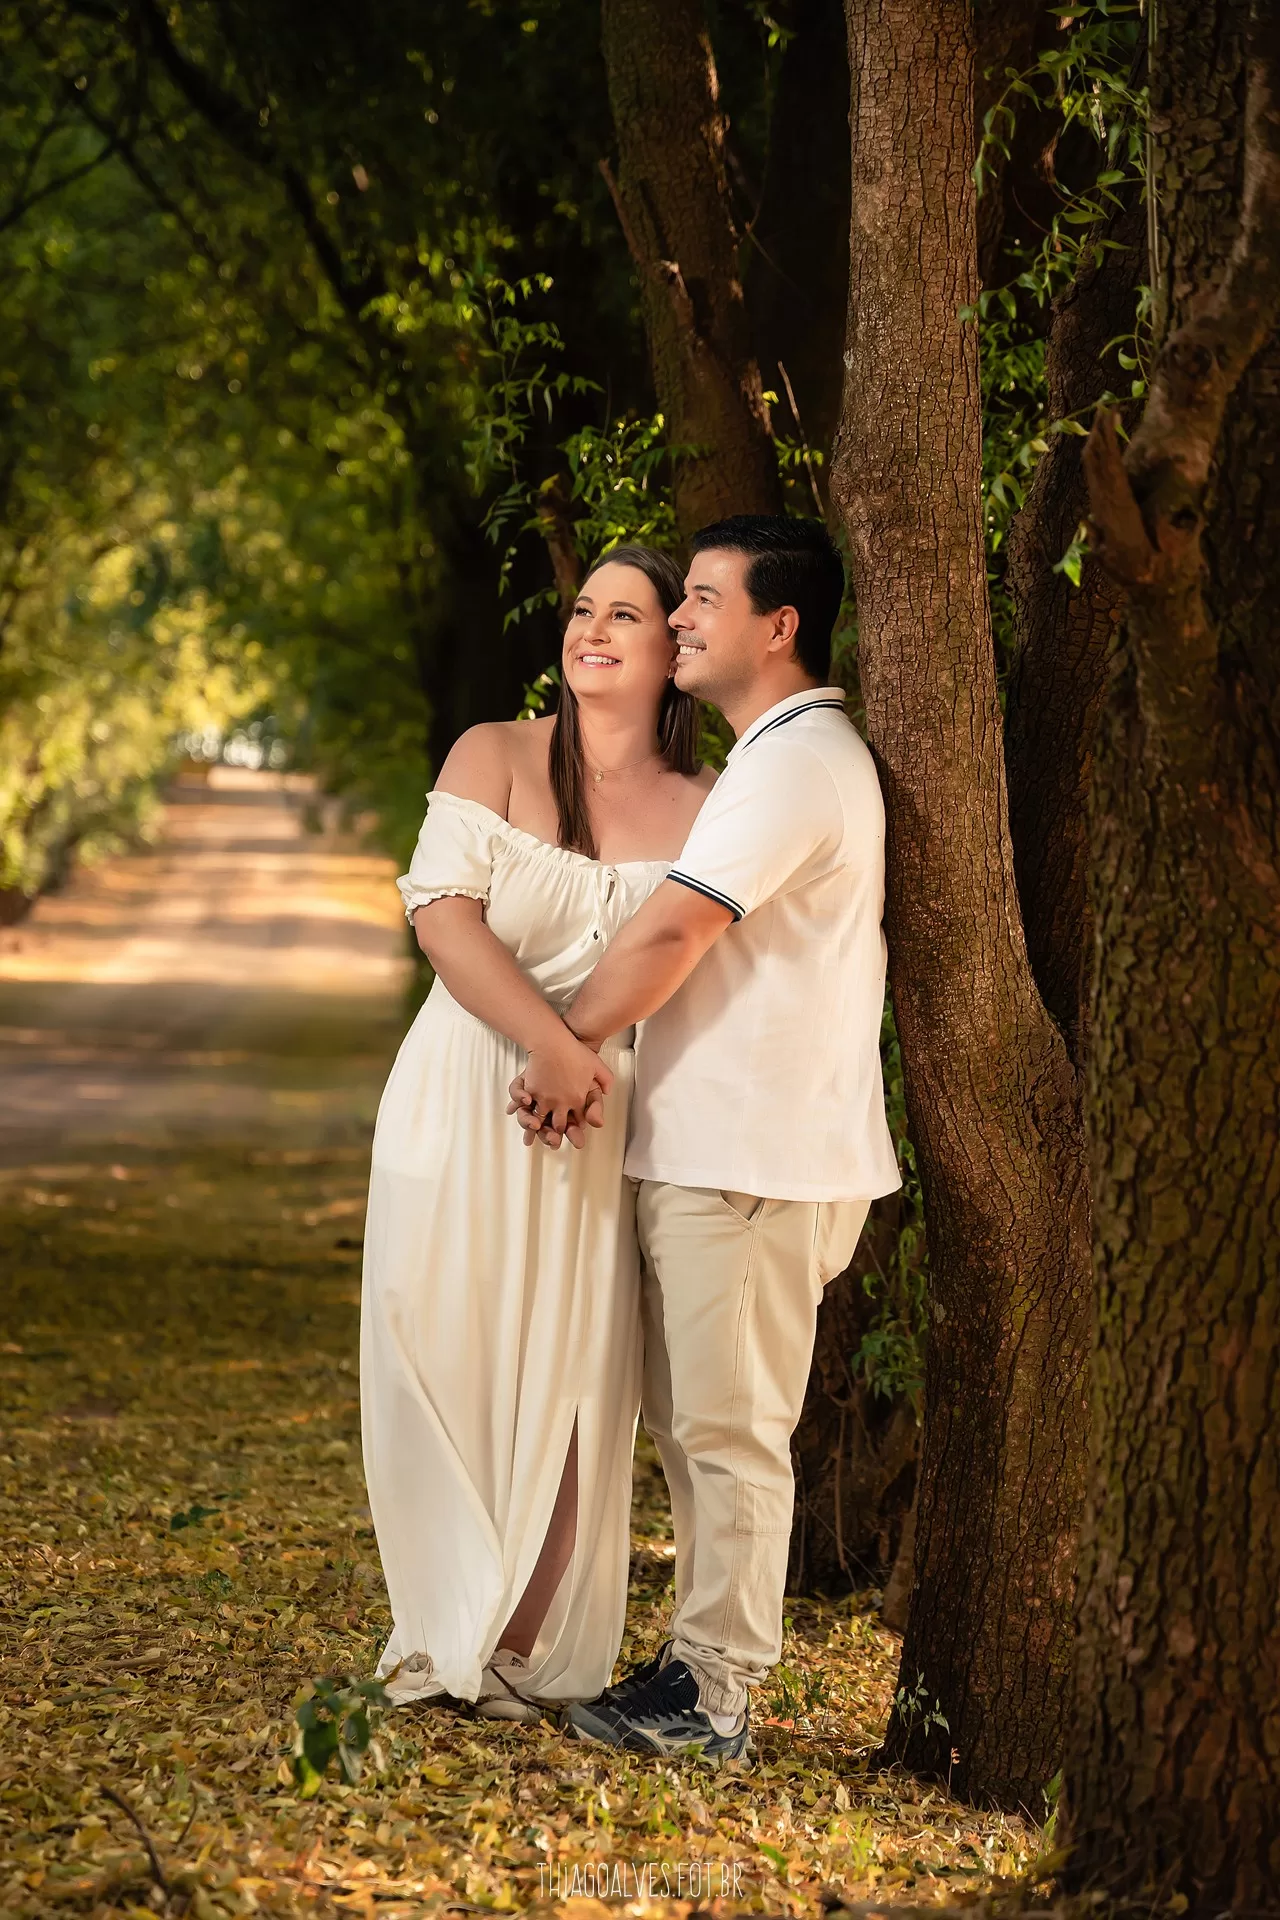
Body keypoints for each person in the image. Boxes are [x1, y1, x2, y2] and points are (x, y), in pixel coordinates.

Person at [511, 515, 901, 1760]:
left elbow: (677, 928)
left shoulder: (796, 763)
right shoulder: (774, 756)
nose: (675, 618)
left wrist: (566, 1044)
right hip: (716, 1152)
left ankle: (714, 1699)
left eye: (701, 599)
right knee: (699, 1431)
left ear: (778, 626)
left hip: (751, 1161)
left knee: (731, 1436)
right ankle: (694, 1662)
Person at [360, 546, 715, 1721]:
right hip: (467, 1086)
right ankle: (437, 1627)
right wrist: (551, 1046)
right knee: (432, 1346)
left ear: (674, 650)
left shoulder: (710, 806)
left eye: (625, 615)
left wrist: (580, 1062)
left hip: (596, 1120)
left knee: (571, 1375)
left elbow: (698, 963)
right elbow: (444, 921)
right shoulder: (494, 753)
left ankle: (510, 1646)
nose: (591, 630)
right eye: (582, 610)